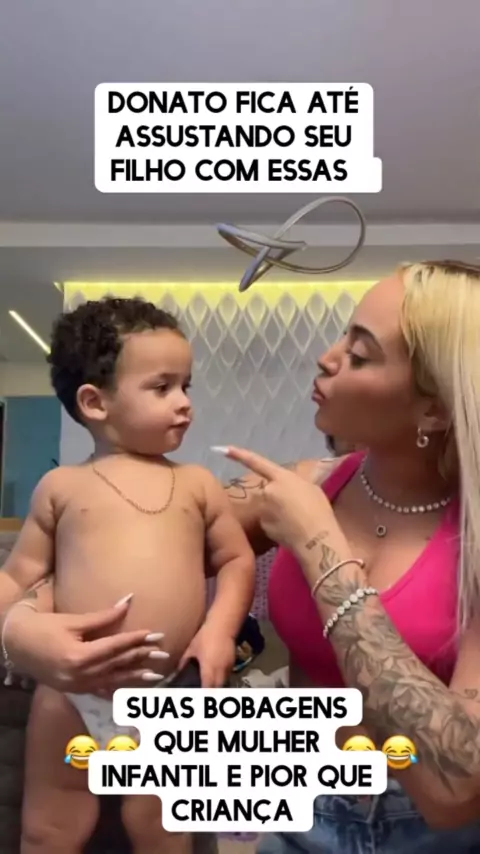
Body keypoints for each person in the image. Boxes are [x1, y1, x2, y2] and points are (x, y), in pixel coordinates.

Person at [219, 260, 480, 852]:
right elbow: (127, 527)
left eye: (359, 355)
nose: (327, 358)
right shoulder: (307, 485)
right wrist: (24, 627)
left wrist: (322, 550)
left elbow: (456, 785)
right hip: (300, 814)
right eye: (343, 337)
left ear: (434, 410)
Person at [2, 297, 255, 854]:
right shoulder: (61, 487)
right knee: (49, 827)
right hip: (70, 693)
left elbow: (236, 561)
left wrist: (219, 631)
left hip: (168, 695)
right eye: (162, 388)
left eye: (186, 386)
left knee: (163, 830)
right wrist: (9, 628)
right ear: (95, 402)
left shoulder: (198, 484)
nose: (184, 403)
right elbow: (19, 574)